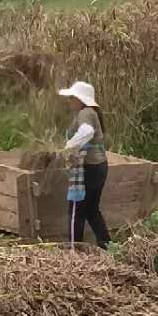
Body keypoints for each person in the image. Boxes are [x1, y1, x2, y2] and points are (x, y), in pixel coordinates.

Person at [59, 79, 110, 250]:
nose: (70, 101)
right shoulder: (92, 112)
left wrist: (68, 148)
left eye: (72, 97)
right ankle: (107, 245)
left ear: (80, 99)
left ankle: (74, 251)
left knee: (76, 211)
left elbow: (87, 132)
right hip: (100, 167)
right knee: (92, 210)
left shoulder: (85, 113)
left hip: (89, 169)